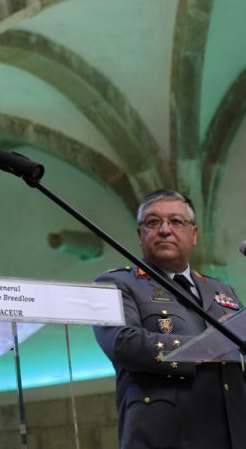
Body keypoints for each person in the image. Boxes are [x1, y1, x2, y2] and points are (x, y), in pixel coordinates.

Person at [93, 189, 246, 449]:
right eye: (153, 222)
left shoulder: (222, 290)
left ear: (194, 234)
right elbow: (122, 343)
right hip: (166, 436)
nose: (165, 230)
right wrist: (206, 347)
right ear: (141, 234)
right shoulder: (115, 283)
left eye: (176, 221)